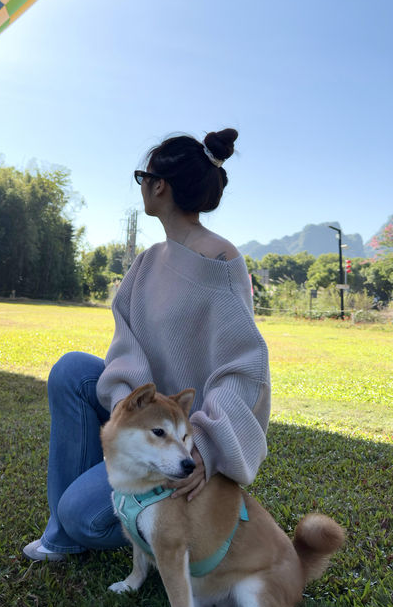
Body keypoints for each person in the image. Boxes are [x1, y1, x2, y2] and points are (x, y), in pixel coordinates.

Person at [22, 128, 270, 562]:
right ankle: (60, 539)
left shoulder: (221, 261)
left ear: (159, 186)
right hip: (144, 421)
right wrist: (129, 411)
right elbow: (126, 345)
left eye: (143, 178)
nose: (141, 188)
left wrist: (205, 447)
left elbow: (243, 368)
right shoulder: (148, 260)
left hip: (182, 444)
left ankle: (80, 522)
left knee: (83, 514)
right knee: (72, 371)